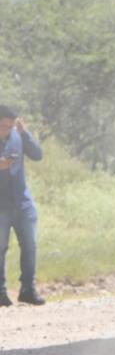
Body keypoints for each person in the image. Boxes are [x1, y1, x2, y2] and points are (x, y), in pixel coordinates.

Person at [0, 105, 44, 306]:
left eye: (10, 126)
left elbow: (37, 155)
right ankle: (1, 293)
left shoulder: (18, 136)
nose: (7, 130)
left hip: (23, 203)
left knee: (30, 246)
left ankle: (27, 290)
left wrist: (24, 133)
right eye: (3, 126)